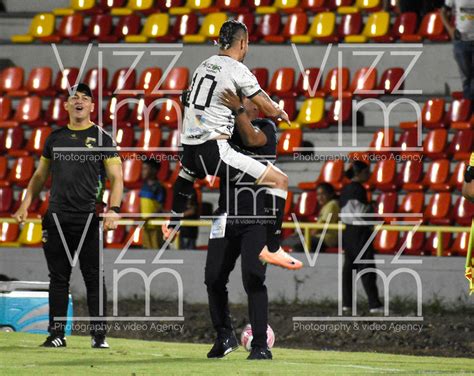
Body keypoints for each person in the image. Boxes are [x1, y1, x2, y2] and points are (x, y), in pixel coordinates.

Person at [163, 20, 294, 269]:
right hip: (214, 149)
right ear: (243, 43)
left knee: (187, 175)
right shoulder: (236, 68)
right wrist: (279, 111)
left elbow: (187, 97)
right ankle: (273, 248)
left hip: (190, 147)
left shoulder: (203, 66)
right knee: (279, 181)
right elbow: (264, 104)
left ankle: (172, 222)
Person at [13, 83, 123, 348]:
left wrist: (114, 210)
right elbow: (40, 175)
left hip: (88, 217)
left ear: (92, 107)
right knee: (58, 278)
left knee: (93, 278)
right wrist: (25, 203)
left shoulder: (102, 138)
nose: (79, 101)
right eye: (74, 97)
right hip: (56, 217)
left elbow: (116, 177)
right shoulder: (55, 137)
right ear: (66, 105)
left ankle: (99, 336)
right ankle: (57, 334)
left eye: (85, 98)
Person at [205, 93, 282, 361]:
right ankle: (224, 335)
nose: (239, 103)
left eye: (245, 100)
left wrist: (236, 110)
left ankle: (261, 344)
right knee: (213, 277)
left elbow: (251, 139)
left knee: (253, 277)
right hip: (225, 214)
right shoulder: (224, 128)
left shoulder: (268, 129)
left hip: (256, 217)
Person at [340, 161, 383, 314]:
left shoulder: (345, 189)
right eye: (367, 172)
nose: (369, 174)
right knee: (367, 268)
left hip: (348, 231)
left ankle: (347, 304)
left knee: (348, 269)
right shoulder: (358, 190)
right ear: (359, 173)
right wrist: (372, 206)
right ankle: (374, 304)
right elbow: (361, 212)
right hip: (360, 232)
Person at [282, 183, 340, 253]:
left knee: (298, 246)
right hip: (317, 237)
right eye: (318, 195)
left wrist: (307, 234)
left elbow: (322, 225)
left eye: (323, 194)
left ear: (331, 194)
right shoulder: (326, 205)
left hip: (325, 239)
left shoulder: (332, 204)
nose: (320, 197)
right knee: (287, 241)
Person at [441, 1, 474, 103]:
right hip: (461, 41)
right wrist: (450, 29)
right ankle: (468, 109)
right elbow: (443, 12)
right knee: (467, 78)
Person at [140, 159, 165, 250]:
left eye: (146, 169)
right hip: (146, 224)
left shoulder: (159, 187)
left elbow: (160, 208)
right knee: (146, 249)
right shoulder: (144, 186)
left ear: (154, 170)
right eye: (142, 169)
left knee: (156, 249)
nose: (143, 171)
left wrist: (148, 218)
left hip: (155, 225)